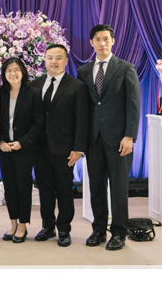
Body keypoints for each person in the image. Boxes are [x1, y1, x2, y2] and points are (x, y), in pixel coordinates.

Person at [77, 24, 140, 251]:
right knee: (96, 187)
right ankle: (98, 230)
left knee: (119, 188)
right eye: (97, 39)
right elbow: (83, 108)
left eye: (106, 39)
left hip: (118, 140)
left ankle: (119, 233)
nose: (102, 43)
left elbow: (133, 105)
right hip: (93, 140)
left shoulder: (126, 68)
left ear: (113, 41)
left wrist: (129, 136)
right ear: (91, 42)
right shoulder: (83, 71)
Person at [31, 44, 89, 247]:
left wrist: (78, 148)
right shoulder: (35, 84)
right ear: (44, 59)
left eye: (58, 57)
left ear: (66, 60)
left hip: (65, 148)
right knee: (44, 189)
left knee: (64, 190)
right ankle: (47, 226)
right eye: (50, 57)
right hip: (39, 148)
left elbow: (82, 120)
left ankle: (64, 229)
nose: (53, 62)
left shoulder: (77, 86)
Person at [0, 57, 44, 243]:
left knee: (23, 186)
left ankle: (23, 225)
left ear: (23, 72)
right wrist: (0, 142)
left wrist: (22, 142)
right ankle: (13, 223)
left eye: (16, 70)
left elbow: (38, 123)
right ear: (4, 74)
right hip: (4, 148)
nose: (13, 74)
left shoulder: (33, 93)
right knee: (9, 186)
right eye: (9, 70)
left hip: (25, 148)